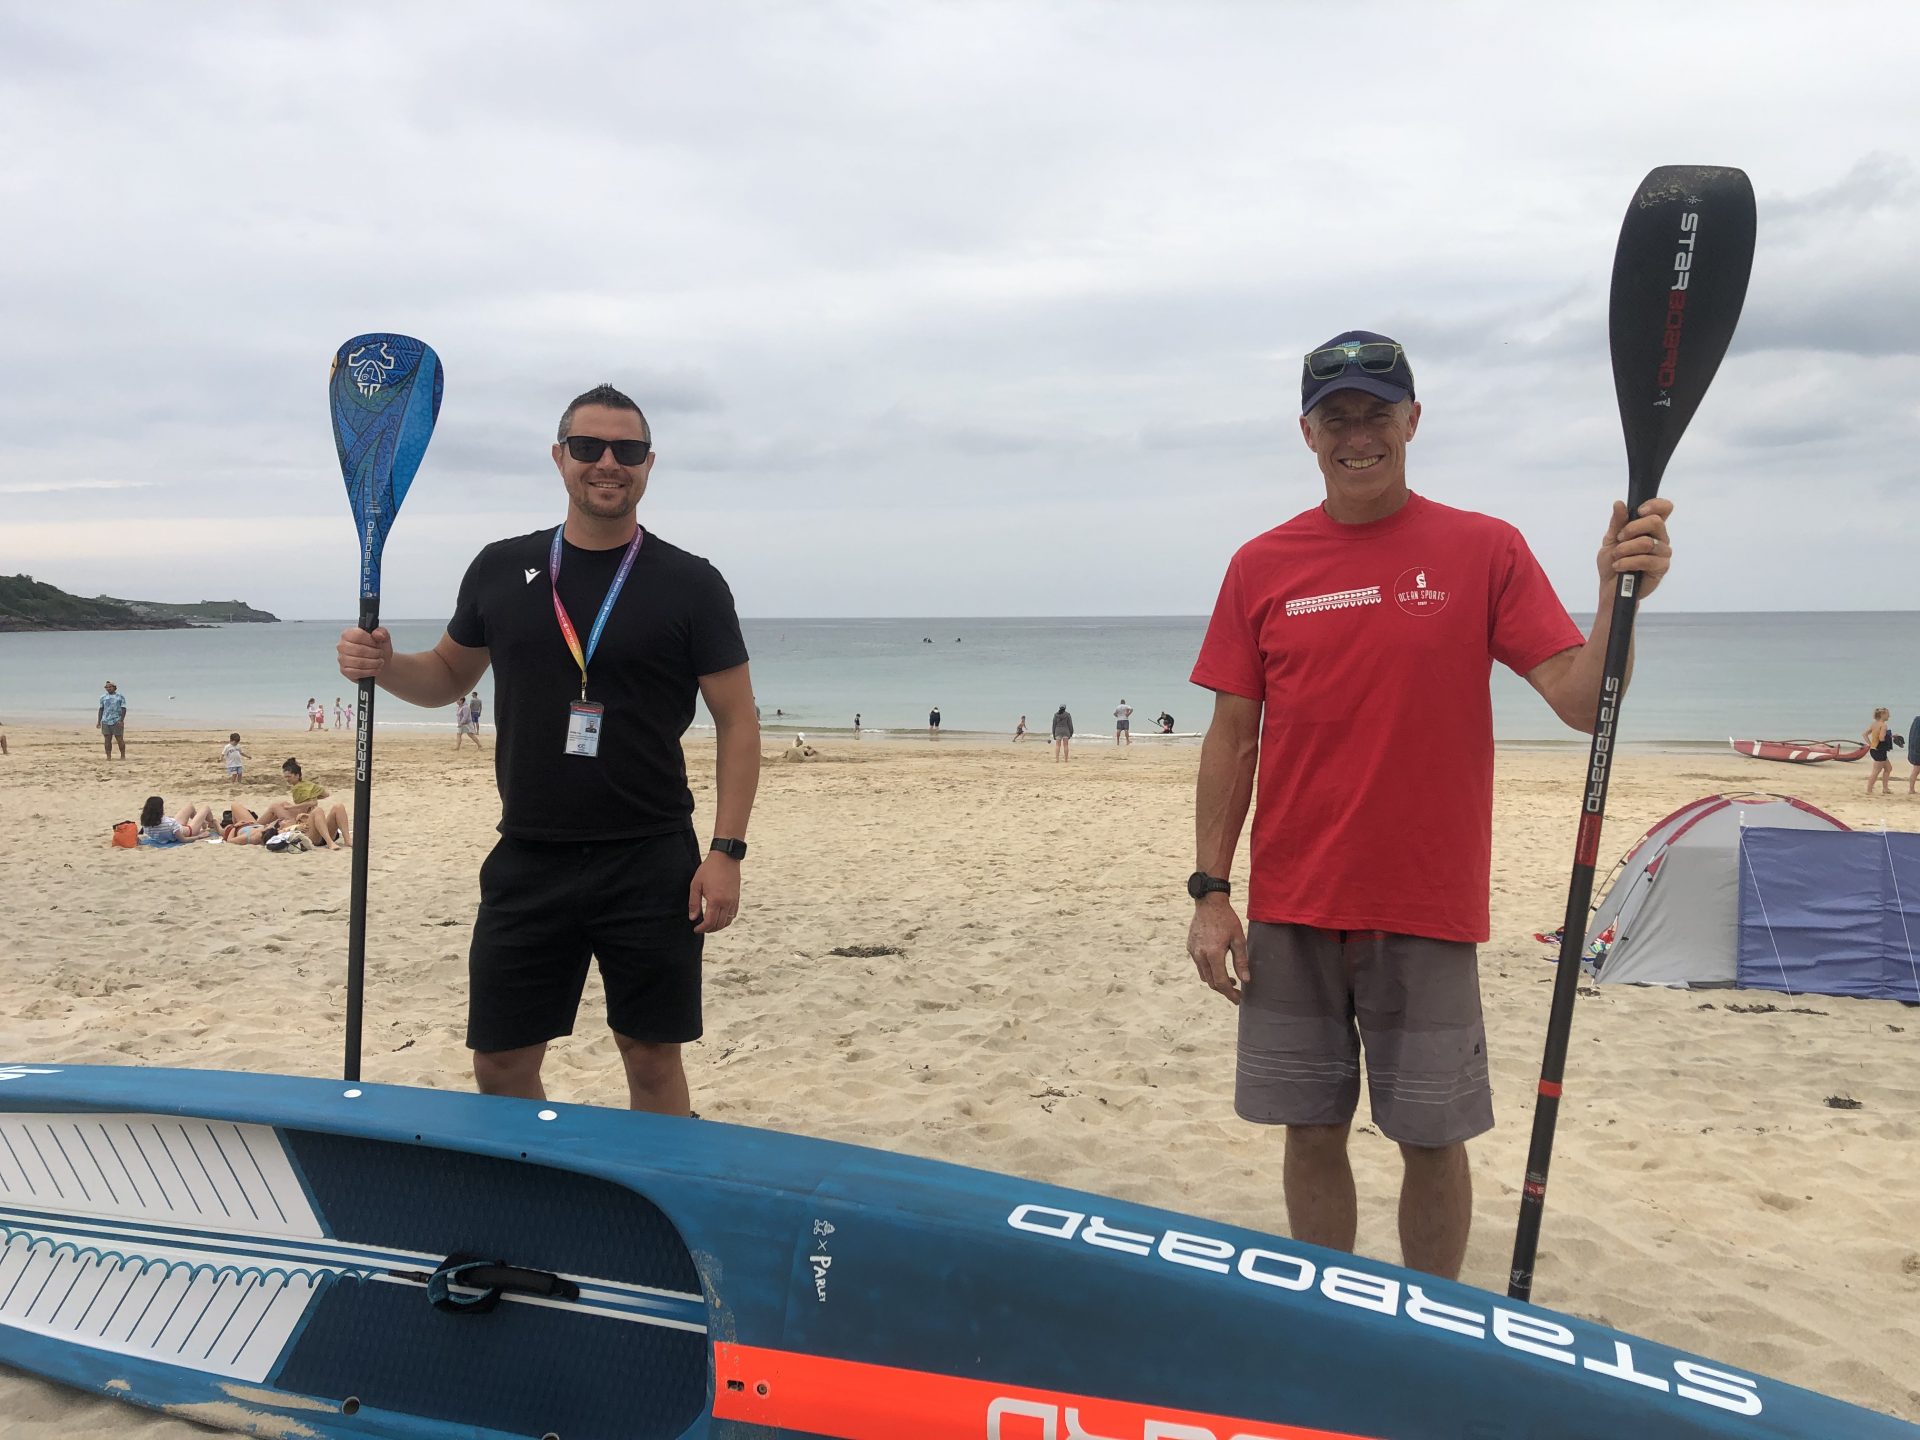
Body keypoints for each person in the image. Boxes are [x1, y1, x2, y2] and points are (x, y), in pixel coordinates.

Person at [1186, 329, 1675, 1281]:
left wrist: (1621, 600)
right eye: (1338, 418)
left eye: (1378, 414)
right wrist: (1212, 889)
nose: (1358, 435)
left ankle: (1428, 1320)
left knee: (1430, 1139)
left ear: (1414, 421)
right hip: (1293, 904)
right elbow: (1232, 736)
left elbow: (1580, 701)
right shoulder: (1261, 564)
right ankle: (1329, 1314)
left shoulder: (1483, 548)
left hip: (1425, 904)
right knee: (1311, 1128)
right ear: (1307, 432)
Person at [335, 382, 760, 1116]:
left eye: (626, 451)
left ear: (648, 464)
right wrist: (383, 665)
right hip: (529, 854)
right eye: (589, 447)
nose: (607, 463)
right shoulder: (502, 568)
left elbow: (739, 721)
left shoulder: (691, 583)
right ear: (559, 458)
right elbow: (444, 678)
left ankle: (651, 1205)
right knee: (500, 1060)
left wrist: (726, 852)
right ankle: (537, 1194)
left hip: (651, 854)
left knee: (651, 1056)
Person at [138, 796, 216, 842]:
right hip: (190, 831)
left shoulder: (145, 824)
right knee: (206, 808)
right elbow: (183, 839)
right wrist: (200, 836)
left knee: (190, 807)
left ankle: (203, 823)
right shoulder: (168, 823)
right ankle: (211, 823)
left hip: (176, 828)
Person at [1864, 707, 1895, 795]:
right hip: (1879, 750)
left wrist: (1870, 744)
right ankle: (1869, 790)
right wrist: (1890, 737)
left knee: (1888, 768)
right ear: (1882, 715)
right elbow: (1881, 738)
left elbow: (1865, 734)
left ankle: (1885, 789)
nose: (1889, 716)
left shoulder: (1874, 724)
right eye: (1888, 714)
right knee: (1876, 770)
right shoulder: (1883, 725)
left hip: (1875, 749)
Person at [97, 681, 127, 759]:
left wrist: (121, 720)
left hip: (117, 721)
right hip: (106, 721)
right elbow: (101, 709)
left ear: (114, 687)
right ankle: (108, 756)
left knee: (119, 739)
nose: (108, 688)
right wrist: (99, 721)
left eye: (110, 687)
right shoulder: (103, 697)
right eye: (107, 687)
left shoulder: (120, 696)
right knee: (107, 739)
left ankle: (122, 755)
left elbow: (123, 708)